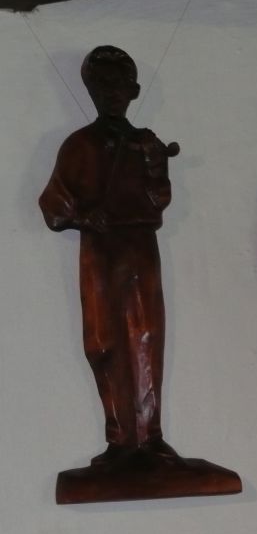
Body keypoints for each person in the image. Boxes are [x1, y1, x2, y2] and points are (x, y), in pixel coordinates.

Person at [40, 45, 177, 465]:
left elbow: (159, 199)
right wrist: (83, 216)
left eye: (120, 85)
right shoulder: (79, 145)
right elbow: (53, 206)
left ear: (133, 91)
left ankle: (150, 437)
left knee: (147, 336)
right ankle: (120, 439)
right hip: (100, 250)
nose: (112, 94)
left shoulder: (145, 142)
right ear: (91, 91)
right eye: (103, 86)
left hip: (140, 245)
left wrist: (155, 164)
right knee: (103, 340)